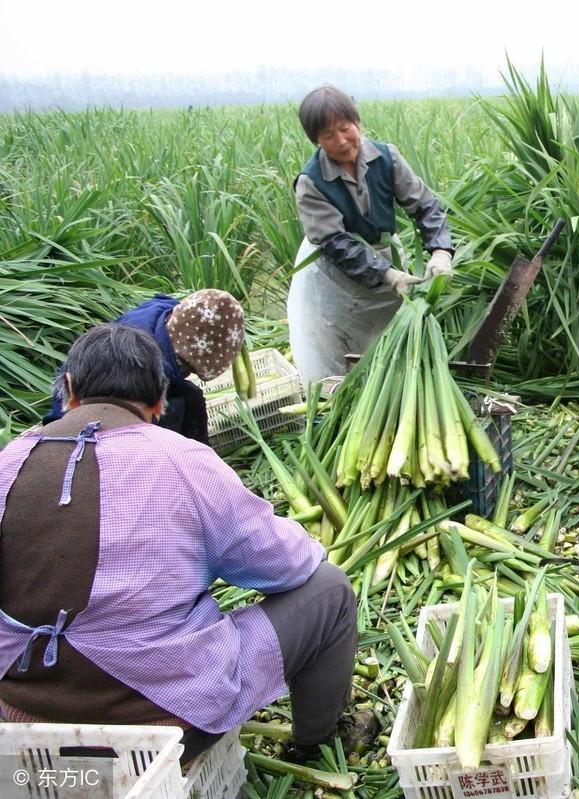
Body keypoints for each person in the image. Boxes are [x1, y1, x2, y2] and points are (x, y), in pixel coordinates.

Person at [0, 325, 372, 763]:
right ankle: (317, 744)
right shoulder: (182, 462)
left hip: (22, 723)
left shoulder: (9, 462)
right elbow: (286, 565)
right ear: (159, 401)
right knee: (328, 587)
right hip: (159, 726)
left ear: (68, 389)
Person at [290, 84, 454, 385]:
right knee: (334, 356)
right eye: (328, 136)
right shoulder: (310, 182)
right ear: (316, 141)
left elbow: (425, 205)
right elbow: (336, 245)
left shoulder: (386, 157)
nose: (341, 141)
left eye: (345, 128)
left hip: (383, 257)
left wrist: (441, 250)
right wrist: (389, 276)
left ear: (357, 122)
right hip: (333, 276)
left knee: (391, 346)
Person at [43, 289, 245, 445]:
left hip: (81, 398)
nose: (187, 374)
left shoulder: (164, 315)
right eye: (188, 369)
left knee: (189, 397)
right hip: (79, 427)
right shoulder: (143, 365)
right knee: (188, 401)